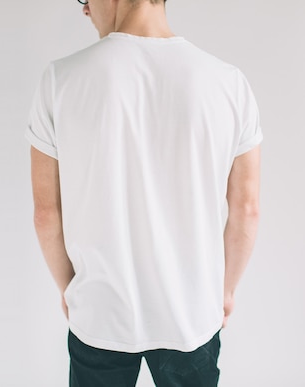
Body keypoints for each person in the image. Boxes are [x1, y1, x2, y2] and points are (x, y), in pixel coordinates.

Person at [27, 0, 261, 385]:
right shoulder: (229, 82)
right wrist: (224, 291)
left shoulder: (60, 80)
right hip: (191, 315)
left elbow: (45, 214)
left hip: (100, 313)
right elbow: (247, 210)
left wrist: (71, 289)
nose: (85, 11)